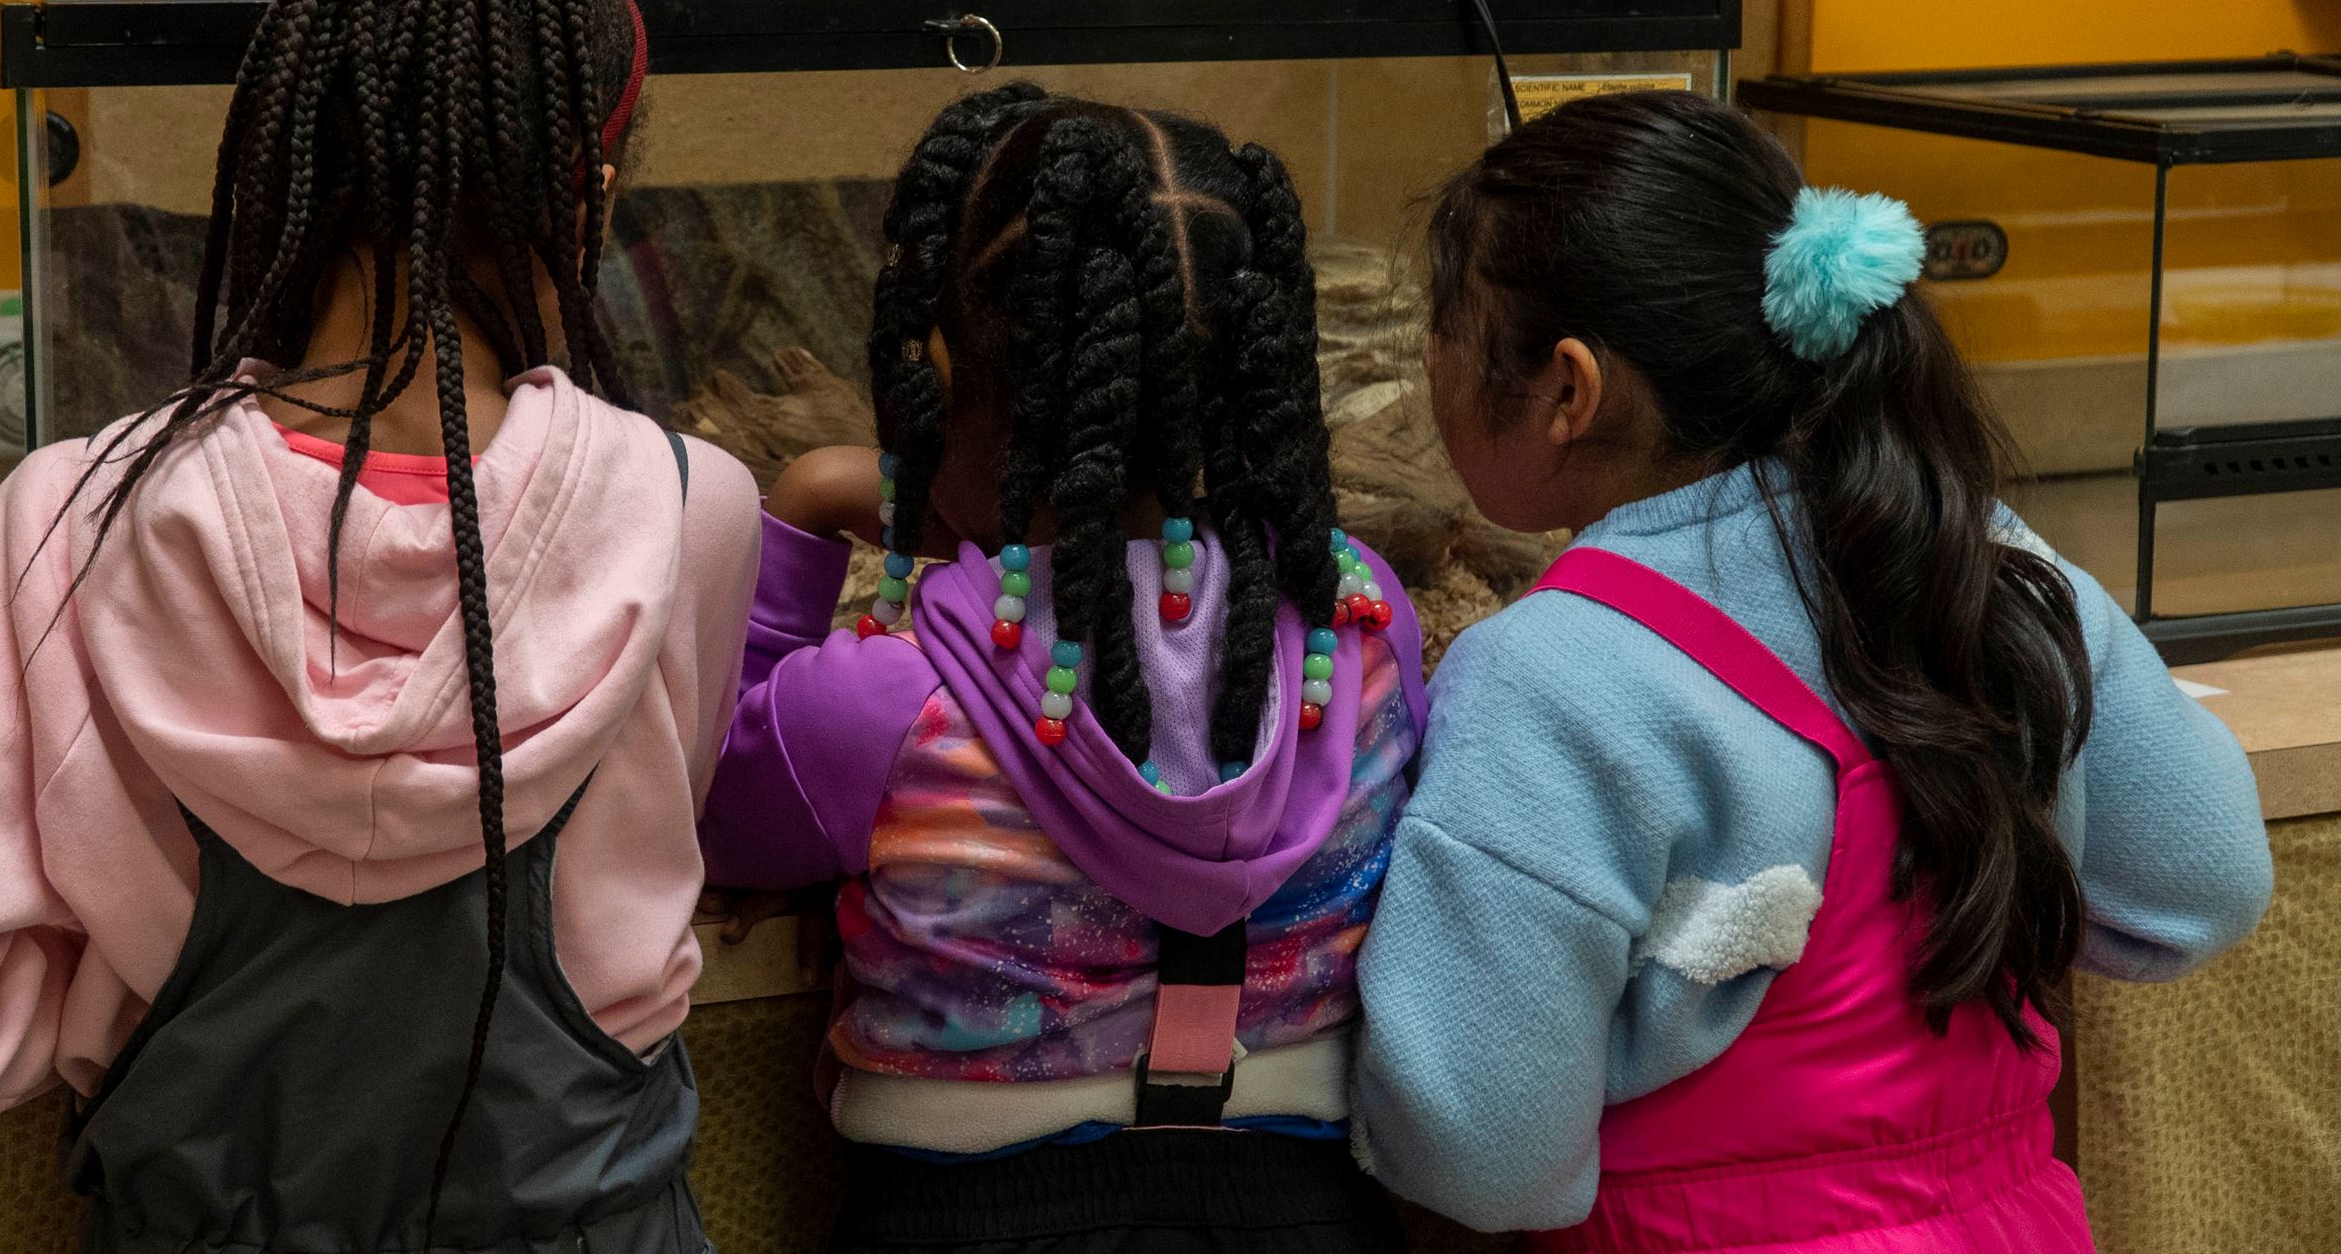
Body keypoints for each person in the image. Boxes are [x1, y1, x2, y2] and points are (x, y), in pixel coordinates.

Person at [0, 0, 760, 1254]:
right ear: (586, 191)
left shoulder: (72, 521)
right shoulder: (687, 509)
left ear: (295, 147)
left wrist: (122, 978)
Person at [1357, 92, 2274, 1251]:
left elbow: (1481, 1156)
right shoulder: (1983, 561)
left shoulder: (1545, 670)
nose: (1428, 365)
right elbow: (2206, 884)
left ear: (1567, 390)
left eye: (1439, 333)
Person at [699, 86, 1420, 1254]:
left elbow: (723, 815)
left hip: (960, 1211)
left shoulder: (891, 690)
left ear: (936, 382)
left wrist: (801, 510)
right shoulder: (1360, 617)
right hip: (1305, 1207)